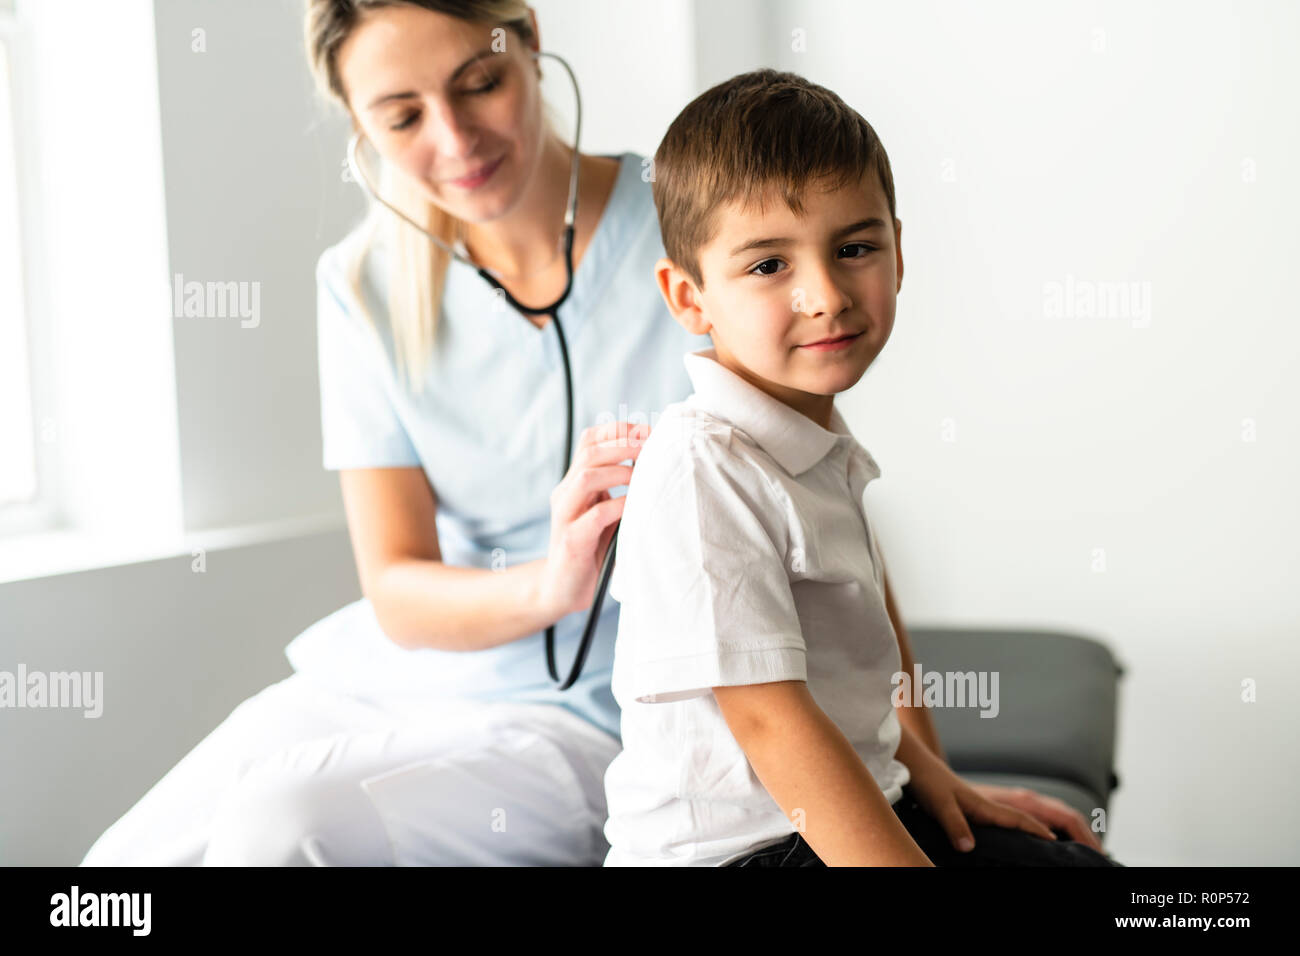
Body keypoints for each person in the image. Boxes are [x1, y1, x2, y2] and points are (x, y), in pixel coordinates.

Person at [79, 0, 708, 866]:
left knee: (284, 827)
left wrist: (907, 747)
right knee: (111, 880)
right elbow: (398, 589)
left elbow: (819, 490)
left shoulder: (695, 225)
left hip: (583, 714)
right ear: (357, 122)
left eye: (479, 84)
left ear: (527, 40)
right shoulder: (362, 283)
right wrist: (547, 585)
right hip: (391, 683)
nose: (455, 141)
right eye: (404, 116)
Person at [601, 68, 1123, 867]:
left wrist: (930, 774)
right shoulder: (704, 465)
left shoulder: (815, 444)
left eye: (853, 248)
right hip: (748, 854)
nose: (827, 295)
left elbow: (855, 670)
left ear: (898, 250)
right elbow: (772, 721)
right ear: (690, 296)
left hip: (843, 807)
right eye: (769, 265)